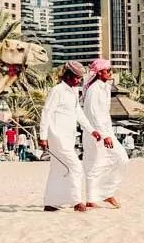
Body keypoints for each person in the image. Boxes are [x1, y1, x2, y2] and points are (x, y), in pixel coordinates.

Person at [39, 61, 101, 212]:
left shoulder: (73, 92)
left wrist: (91, 130)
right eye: (77, 78)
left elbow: (78, 113)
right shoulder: (57, 90)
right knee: (75, 166)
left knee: (57, 168)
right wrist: (43, 136)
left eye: (80, 78)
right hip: (57, 136)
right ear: (67, 76)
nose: (79, 81)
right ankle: (77, 202)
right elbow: (46, 112)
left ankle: (51, 202)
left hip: (68, 136)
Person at [81, 58, 129, 209]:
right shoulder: (94, 89)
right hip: (96, 133)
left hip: (106, 131)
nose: (110, 73)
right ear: (100, 72)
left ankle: (106, 193)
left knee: (121, 159)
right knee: (94, 163)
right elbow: (93, 114)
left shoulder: (104, 87)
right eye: (108, 70)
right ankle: (94, 197)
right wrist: (104, 135)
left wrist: (107, 133)